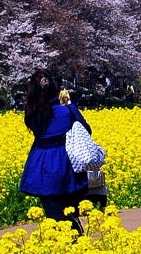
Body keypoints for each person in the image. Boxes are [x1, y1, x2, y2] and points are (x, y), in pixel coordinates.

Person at [18, 69, 89, 230]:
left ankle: (61, 250)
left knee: (54, 216)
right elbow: (86, 130)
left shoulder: (32, 113)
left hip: (42, 165)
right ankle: (79, 249)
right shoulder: (65, 110)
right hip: (67, 164)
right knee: (71, 215)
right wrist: (70, 105)